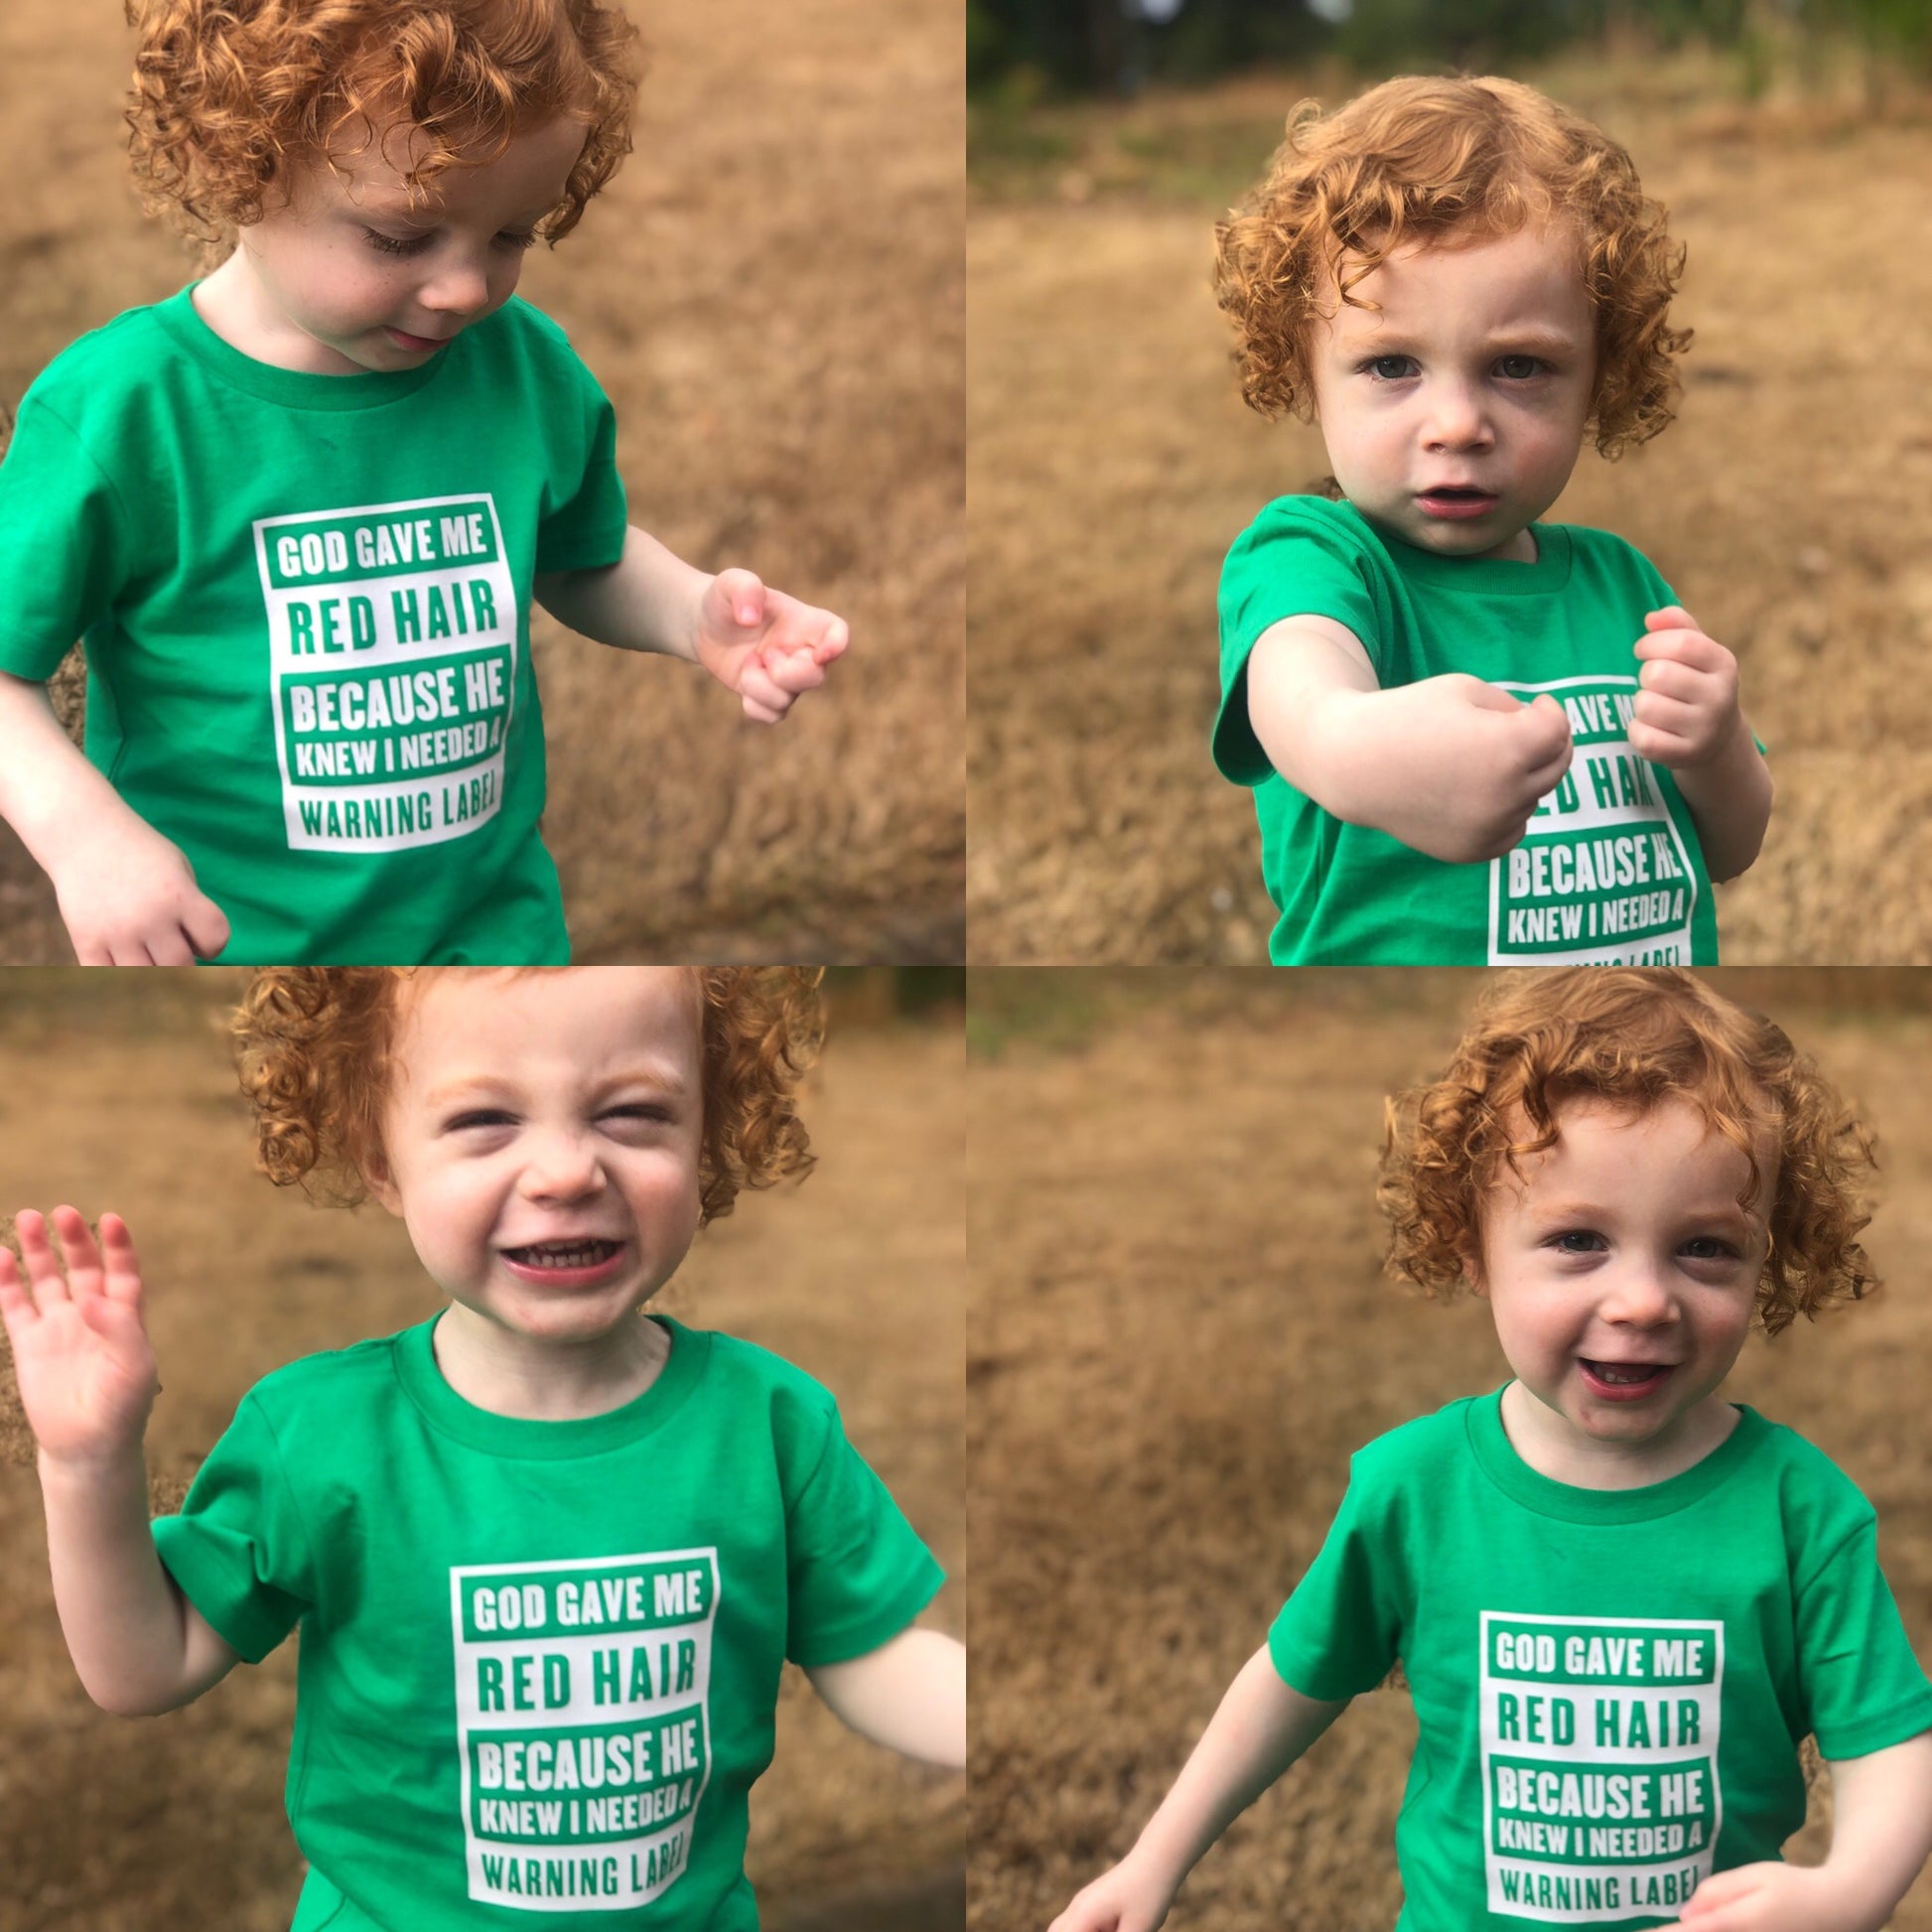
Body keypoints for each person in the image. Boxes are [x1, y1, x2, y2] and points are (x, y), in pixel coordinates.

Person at [1, 966, 963, 1930]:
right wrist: (87, 1463)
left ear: (706, 1134)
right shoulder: (321, 1438)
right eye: (483, 1121)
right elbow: (141, 1664)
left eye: (629, 1112)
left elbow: (870, 1653)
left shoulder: (766, 1423)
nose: (565, 1170)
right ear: (380, 1159)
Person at [1049, 969, 1932, 1931]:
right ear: (1470, 1247)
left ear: (1769, 1251)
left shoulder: (1796, 1507)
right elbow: (1292, 1674)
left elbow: (1891, 1740)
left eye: (1704, 1248)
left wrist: (1849, 1889)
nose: (1642, 1298)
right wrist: (1154, 1858)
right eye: (1577, 1238)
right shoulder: (1414, 1486)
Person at [0, 0, 849, 965]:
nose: (464, 291)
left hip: (492, 941)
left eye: (509, 236)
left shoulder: (520, 368)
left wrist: (696, 615)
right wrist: (83, 838)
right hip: (223, 949)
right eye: (400, 238)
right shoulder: (126, 412)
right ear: (240, 160)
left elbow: (578, 558)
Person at [1212, 76, 1772, 965]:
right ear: (1304, 372)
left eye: (1518, 366)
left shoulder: (1621, 584)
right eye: (1392, 365)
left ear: (1600, 377)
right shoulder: (1317, 559)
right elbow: (1306, 706)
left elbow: (1731, 850)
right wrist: (1371, 751)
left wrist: (1719, 748)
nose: (1458, 425)